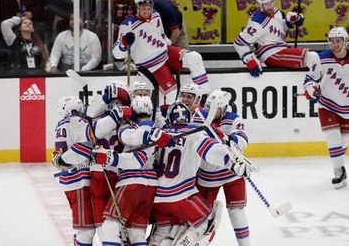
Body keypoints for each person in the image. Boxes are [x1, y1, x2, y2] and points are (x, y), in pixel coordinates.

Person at [149, 102, 255, 246]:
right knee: (209, 218)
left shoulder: (161, 135)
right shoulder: (195, 134)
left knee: (163, 231)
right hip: (181, 196)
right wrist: (233, 164)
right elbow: (211, 152)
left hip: (156, 198)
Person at [98, 95, 173, 246]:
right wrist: (151, 135)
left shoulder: (130, 128)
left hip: (131, 182)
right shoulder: (158, 131)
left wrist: (109, 158)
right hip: (151, 185)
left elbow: (133, 148)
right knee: (136, 233)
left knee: (110, 226)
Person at [302, 27, 349, 189]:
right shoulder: (321, 58)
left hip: (348, 106)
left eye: (338, 41)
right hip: (327, 103)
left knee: (344, 141)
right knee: (332, 137)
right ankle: (339, 171)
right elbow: (309, 79)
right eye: (332, 41)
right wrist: (311, 89)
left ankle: (339, 166)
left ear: (345, 42)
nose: (334, 44)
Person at [112, 0, 210, 95]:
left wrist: (172, 48)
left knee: (194, 57)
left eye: (148, 8)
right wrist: (124, 43)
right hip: (151, 64)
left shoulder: (156, 15)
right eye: (143, 8)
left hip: (166, 52)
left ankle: (204, 96)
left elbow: (162, 36)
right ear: (137, 7)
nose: (147, 11)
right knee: (172, 93)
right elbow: (117, 54)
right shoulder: (128, 25)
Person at [194, 90, 253, 246]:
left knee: (237, 212)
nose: (210, 112)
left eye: (215, 109)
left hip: (232, 173)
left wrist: (227, 138)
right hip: (208, 175)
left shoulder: (234, 119)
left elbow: (242, 140)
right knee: (201, 216)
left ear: (224, 108)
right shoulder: (199, 117)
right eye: (208, 108)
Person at [233, 0, 319, 77]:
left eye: (272, 2)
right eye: (266, 4)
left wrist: (291, 22)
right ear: (260, 4)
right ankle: (315, 86)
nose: (270, 6)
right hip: (270, 54)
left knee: (315, 58)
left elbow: (276, 29)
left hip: (280, 48)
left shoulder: (274, 11)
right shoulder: (257, 22)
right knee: (312, 57)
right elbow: (239, 42)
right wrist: (249, 59)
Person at [52, 96, 96, 246]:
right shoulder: (76, 122)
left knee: (86, 227)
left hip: (72, 179)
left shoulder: (61, 124)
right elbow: (84, 149)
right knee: (86, 230)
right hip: (79, 180)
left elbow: (60, 155)